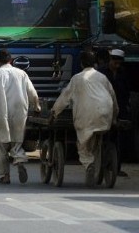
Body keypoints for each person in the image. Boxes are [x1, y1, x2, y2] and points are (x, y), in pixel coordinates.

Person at [50, 51, 118, 187]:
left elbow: (64, 98)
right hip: (105, 115)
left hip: (86, 116)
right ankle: (96, 164)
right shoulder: (102, 77)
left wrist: (54, 113)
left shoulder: (77, 78)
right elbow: (113, 97)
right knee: (97, 137)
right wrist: (114, 117)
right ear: (95, 63)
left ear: (81, 63)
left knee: (83, 144)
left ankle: (88, 164)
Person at [0, 49, 41, 184]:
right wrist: (37, 106)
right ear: (11, 60)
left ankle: (6, 176)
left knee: (2, 144)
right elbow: (32, 91)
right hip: (20, 111)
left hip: (2, 112)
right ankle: (20, 160)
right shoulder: (21, 73)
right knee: (17, 141)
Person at [98, 49, 130, 177]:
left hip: (119, 109)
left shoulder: (123, 73)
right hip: (103, 109)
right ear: (110, 60)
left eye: (118, 63)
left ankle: (116, 167)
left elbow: (126, 90)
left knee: (118, 140)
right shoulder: (101, 72)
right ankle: (101, 165)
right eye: (114, 62)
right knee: (103, 138)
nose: (116, 66)